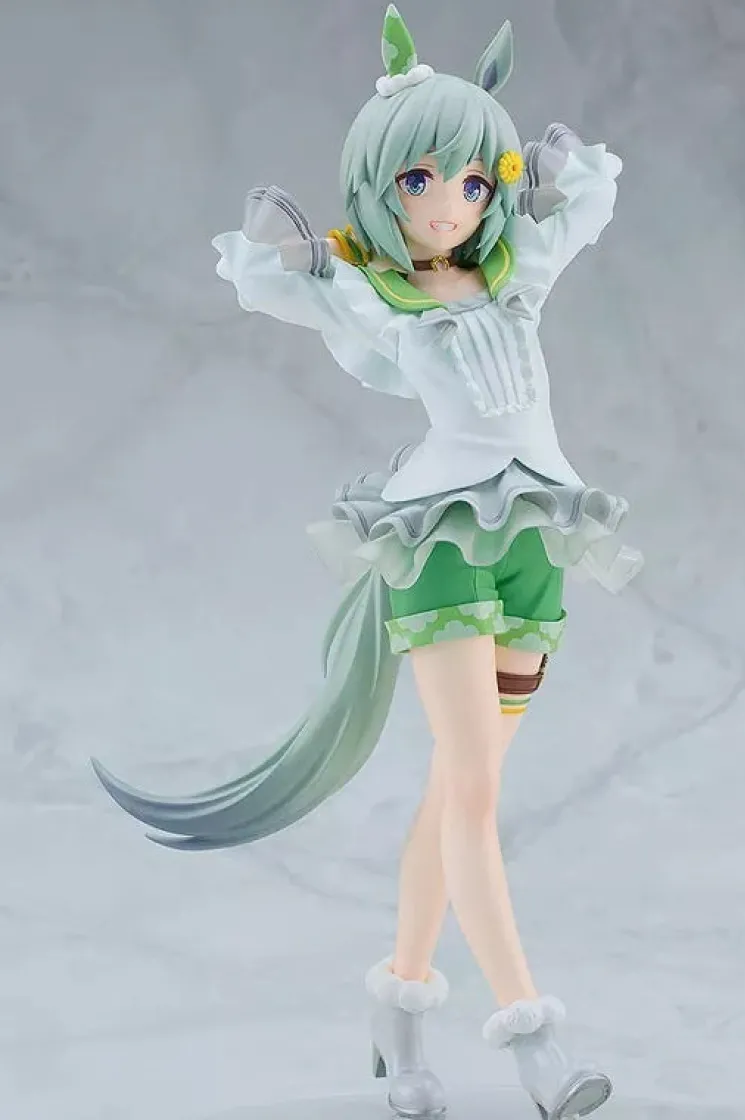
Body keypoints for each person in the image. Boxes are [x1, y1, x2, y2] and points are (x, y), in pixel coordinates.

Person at [92, 7, 643, 1117]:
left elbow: (583, 203)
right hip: (436, 541)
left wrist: (553, 171)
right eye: (419, 181)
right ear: (382, 189)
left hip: (537, 538)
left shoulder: (515, 272)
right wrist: (301, 251)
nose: (448, 204)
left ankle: (398, 1016)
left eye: (473, 182)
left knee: (458, 790)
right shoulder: (379, 297)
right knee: (473, 789)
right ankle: (534, 1040)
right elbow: (273, 279)